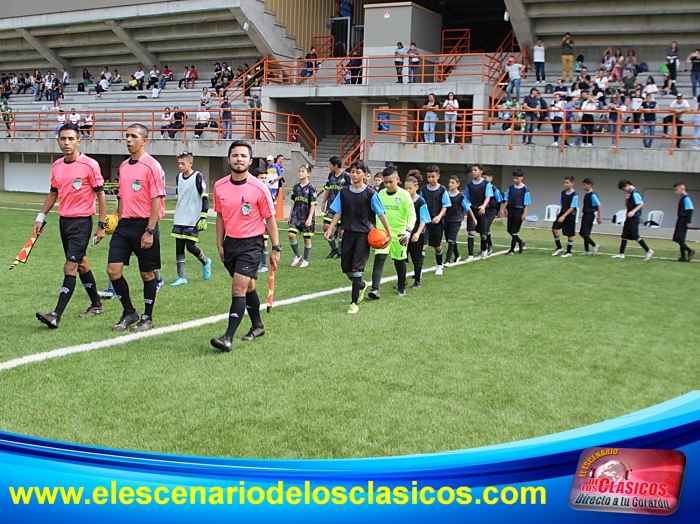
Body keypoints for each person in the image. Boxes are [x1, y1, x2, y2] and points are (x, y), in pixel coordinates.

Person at [34, 123, 107, 329]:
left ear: (78, 141)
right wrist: (41, 217)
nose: (66, 143)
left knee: (70, 267)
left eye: (70, 139)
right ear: (58, 141)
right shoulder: (57, 165)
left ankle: (56, 315)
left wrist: (101, 224)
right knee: (82, 263)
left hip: (82, 222)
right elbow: (53, 193)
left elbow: (101, 195)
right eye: (63, 139)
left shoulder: (90, 165)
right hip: (63, 221)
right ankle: (96, 304)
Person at [210, 141, 280, 351]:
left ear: (250, 161)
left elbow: (270, 220)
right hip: (230, 243)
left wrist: (276, 248)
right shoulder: (219, 186)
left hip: (252, 245)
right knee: (248, 287)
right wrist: (220, 244)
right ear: (228, 159)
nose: (239, 159)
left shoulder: (259, 188)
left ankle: (227, 338)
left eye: (243, 156)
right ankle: (258, 326)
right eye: (235, 155)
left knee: (238, 288)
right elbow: (221, 216)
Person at [106, 124, 166, 332]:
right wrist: (113, 217)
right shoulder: (123, 167)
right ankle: (129, 312)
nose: (129, 140)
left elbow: (156, 199)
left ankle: (147, 317)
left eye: (133, 136)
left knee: (147, 274)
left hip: (144, 224)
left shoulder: (152, 166)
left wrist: (150, 230)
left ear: (144, 140)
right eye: (127, 136)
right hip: (124, 226)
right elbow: (123, 197)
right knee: (113, 271)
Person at [324, 160, 391, 314]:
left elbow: (381, 214)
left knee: (357, 267)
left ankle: (354, 303)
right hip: (347, 233)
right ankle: (360, 284)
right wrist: (331, 228)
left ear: (365, 174)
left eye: (357, 172)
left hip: (364, 234)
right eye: (352, 172)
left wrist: (389, 234)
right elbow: (338, 212)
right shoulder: (344, 192)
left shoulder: (370, 194)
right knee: (346, 268)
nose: (354, 175)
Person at [367, 165, 415, 299]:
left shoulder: (404, 195)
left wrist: (408, 231)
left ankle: (401, 287)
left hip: (400, 235)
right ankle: (375, 289)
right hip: (382, 234)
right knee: (379, 259)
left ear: (397, 179)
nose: (387, 185)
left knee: (399, 261)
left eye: (390, 182)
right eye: (385, 182)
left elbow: (412, 215)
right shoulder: (380, 195)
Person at [170, 152, 212, 286]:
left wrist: (203, 216)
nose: (180, 166)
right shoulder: (178, 178)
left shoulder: (198, 177)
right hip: (179, 217)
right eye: (179, 163)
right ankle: (181, 277)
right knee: (179, 247)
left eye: (183, 163)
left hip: (193, 218)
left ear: (190, 163)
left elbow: (205, 197)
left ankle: (206, 261)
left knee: (190, 246)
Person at [420, 165, 450, 275]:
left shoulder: (442, 190)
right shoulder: (423, 190)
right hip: (425, 222)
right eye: (428, 177)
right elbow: (421, 204)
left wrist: (439, 216)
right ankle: (419, 270)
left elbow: (445, 205)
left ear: (438, 176)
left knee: (437, 245)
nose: (431, 179)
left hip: (437, 223)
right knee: (423, 245)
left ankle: (439, 265)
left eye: (433, 176)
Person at [611, 179, 653, 260]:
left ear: (627, 185)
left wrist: (633, 212)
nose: (624, 191)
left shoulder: (635, 193)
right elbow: (628, 206)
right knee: (624, 235)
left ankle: (648, 250)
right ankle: (621, 253)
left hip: (634, 218)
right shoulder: (630, 194)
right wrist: (626, 200)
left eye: (624, 189)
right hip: (629, 217)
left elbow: (641, 204)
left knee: (635, 235)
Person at [321, 155, 351, 258]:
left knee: (340, 229)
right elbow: (328, 188)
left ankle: (341, 253)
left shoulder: (346, 176)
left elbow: (350, 190)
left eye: (330, 164)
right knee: (326, 226)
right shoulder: (330, 175)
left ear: (336, 165)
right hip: (331, 205)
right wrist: (323, 202)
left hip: (342, 207)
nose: (329, 166)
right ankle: (334, 248)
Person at [403, 171, 429, 289]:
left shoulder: (421, 201)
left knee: (416, 259)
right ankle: (402, 280)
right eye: (405, 188)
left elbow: (423, 220)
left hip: (416, 235)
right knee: (401, 257)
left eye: (410, 188)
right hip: (404, 233)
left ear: (416, 187)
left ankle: (417, 281)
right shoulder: (403, 200)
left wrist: (418, 233)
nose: (407, 191)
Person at [288, 164, 317, 268]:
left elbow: (313, 204)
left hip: (306, 215)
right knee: (291, 235)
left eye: (303, 171)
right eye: (299, 171)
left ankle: (306, 260)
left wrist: (309, 218)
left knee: (306, 239)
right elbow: (293, 202)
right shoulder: (296, 187)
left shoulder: (311, 187)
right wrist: (290, 215)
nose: (300, 173)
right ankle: (298, 255)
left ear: (308, 173)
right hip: (296, 215)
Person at [443, 175, 475, 267]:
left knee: (451, 239)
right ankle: (457, 255)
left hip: (456, 220)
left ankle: (447, 260)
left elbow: (468, 208)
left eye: (453, 183)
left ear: (458, 184)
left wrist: (474, 219)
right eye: (449, 182)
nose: (450, 184)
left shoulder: (461, 197)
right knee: (449, 240)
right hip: (447, 220)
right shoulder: (445, 195)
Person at [464, 163, 493, 260]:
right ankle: (470, 255)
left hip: (482, 211)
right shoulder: (469, 184)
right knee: (471, 232)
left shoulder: (486, 184)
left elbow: (488, 196)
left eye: (475, 170)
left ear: (480, 171)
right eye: (472, 170)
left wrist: (483, 206)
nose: (473, 172)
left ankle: (484, 251)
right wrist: (468, 208)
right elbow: (467, 198)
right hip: (472, 211)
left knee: (483, 233)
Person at [503, 169, 530, 255]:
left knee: (514, 230)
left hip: (519, 210)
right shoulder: (511, 188)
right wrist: (504, 208)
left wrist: (524, 213)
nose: (515, 180)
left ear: (521, 178)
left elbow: (527, 203)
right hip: (511, 210)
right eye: (514, 178)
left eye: (517, 178)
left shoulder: (525, 189)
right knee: (509, 230)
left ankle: (512, 250)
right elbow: (506, 199)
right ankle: (520, 242)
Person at [551, 176, 578, 258]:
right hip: (562, 213)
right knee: (554, 229)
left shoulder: (575, 195)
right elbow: (562, 204)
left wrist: (564, 216)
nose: (565, 184)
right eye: (564, 183)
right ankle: (559, 247)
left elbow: (572, 207)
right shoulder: (563, 193)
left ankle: (569, 252)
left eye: (567, 183)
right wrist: (560, 214)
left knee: (569, 234)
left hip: (570, 215)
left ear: (572, 184)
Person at [673, 182, 695, 262]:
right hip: (681, 219)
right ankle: (683, 256)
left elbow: (690, 209)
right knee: (681, 239)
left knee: (678, 238)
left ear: (682, 189)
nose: (676, 192)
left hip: (683, 219)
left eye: (677, 190)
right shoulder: (683, 198)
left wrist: (688, 221)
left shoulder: (686, 198)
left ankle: (690, 250)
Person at [579, 178, 602, 255]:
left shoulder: (593, 195)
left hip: (590, 214)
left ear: (590, 185)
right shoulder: (587, 194)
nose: (583, 186)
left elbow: (599, 205)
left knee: (584, 233)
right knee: (583, 233)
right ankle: (586, 250)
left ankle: (595, 245)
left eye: (585, 185)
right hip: (585, 214)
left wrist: (599, 217)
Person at [482, 171, 503, 255]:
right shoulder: (481, 187)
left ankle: (489, 245)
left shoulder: (494, 189)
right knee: (484, 228)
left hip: (491, 210)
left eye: (485, 178)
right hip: (483, 210)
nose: (484, 180)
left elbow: (499, 201)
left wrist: (496, 213)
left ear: (491, 179)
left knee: (485, 228)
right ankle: (485, 247)